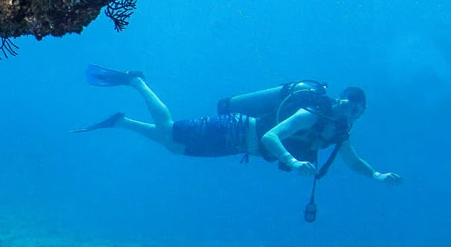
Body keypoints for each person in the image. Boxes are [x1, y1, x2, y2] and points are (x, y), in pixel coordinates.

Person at [74, 65, 403, 185]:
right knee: (172, 131)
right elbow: (273, 136)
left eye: (360, 112)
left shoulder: (338, 133)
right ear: (342, 101)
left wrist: (376, 175)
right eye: (352, 106)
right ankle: (136, 82)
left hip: (237, 145)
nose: (353, 114)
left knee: (175, 146)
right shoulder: (314, 115)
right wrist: (291, 161)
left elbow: (352, 160)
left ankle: (121, 121)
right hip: (237, 129)